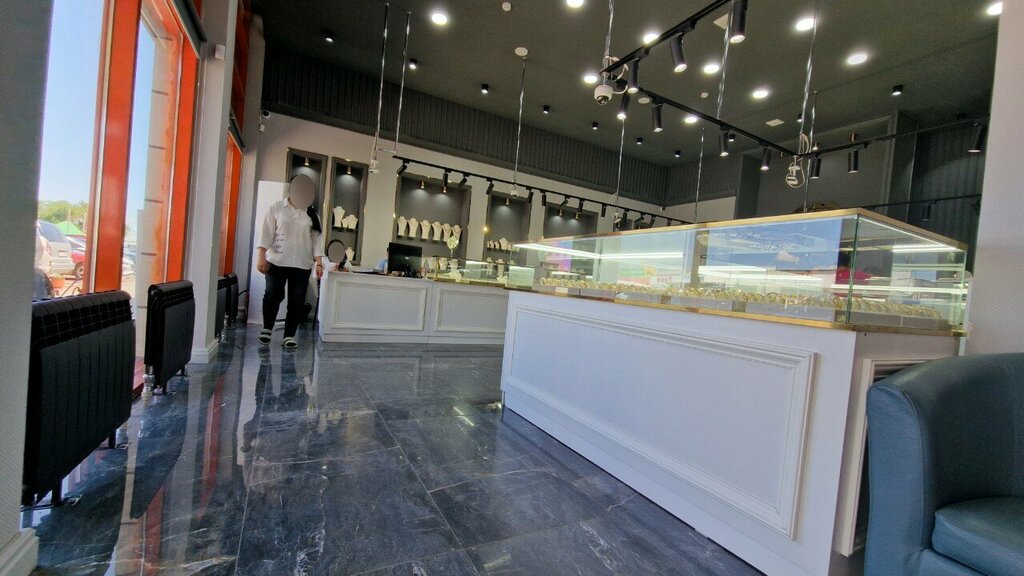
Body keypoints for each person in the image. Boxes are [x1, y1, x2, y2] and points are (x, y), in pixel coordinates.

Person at [256, 174, 324, 349]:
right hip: (277, 260)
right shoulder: (277, 207)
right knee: (273, 294)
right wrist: (261, 255)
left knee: (297, 300)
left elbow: (317, 240)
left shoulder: (312, 214)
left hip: (302, 263)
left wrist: (319, 262)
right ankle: (267, 328)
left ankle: (289, 335)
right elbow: (266, 233)